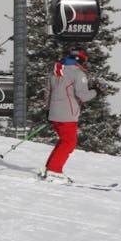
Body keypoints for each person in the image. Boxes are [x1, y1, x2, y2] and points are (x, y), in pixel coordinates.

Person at [39, 48, 96, 183]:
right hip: (68, 114)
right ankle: (54, 171)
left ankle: (51, 168)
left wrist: (48, 110)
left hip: (54, 113)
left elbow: (48, 92)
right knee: (69, 143)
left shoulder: (56, 71)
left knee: (64, 141)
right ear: (81, 60)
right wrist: (97, 91)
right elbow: (83, 96)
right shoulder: (78, 73)